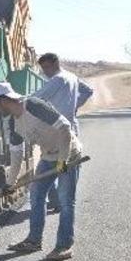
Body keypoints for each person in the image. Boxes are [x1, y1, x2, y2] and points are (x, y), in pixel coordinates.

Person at [0, 82, 83, 261]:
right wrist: (10, 184)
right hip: (48, 158)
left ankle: (64, 246)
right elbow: (16, 156)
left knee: (65, 201)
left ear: (3, 100)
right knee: (37, 196)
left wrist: (63, 161)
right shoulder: (13, 123)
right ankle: (33, 240)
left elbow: (65, 128)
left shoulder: (33, 105)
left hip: (69, 154)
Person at [34, 53, 94, 212]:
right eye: (43, 68)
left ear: (55, 64)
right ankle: (63, 199)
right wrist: (74, 106)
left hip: (56, 130)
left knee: (52, 163)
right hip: (72, 126)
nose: (45, 72)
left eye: (47, 67)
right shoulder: (72, 77)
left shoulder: (57, 80)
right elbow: (89, 91)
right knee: (67, 164)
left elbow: (36, 98)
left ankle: (57, 200)